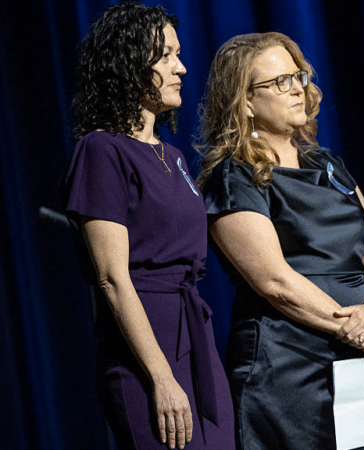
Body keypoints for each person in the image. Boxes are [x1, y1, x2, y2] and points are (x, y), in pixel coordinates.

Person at [196, 32, 364, 450]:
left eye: (297, 75)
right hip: (288, 373)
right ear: (244, 102)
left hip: (361, 361)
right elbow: (275, 283)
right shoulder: (234, 177)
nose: (297, 87)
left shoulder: (326, 163)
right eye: (279, 82)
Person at [58, 3, 234, 449]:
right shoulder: (101, 151)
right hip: (145, 348)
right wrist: (161, 376)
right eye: (166, 56)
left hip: (195, 336)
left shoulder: (173, 157)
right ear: (130, 64)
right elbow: (112, 278)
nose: (182, 67)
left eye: (179, 54)